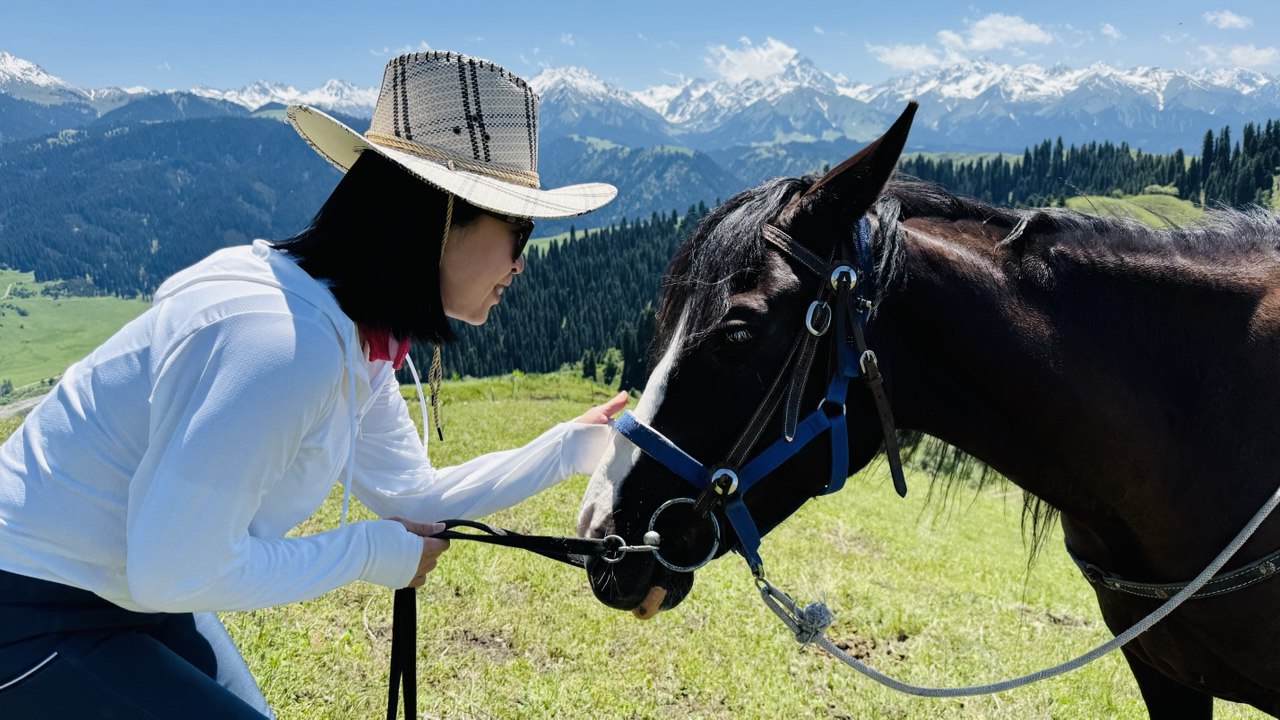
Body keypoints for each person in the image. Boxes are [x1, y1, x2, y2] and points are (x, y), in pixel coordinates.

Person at [0, 51, 625, 719]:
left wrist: (569, 449)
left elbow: (410, 494)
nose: (521, 263)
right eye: (519, 230)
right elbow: (174, 571)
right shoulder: (283, 345)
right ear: (442, 217)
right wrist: (367, 552)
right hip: (31, 607)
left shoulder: (348, 331)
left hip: (123, 591)